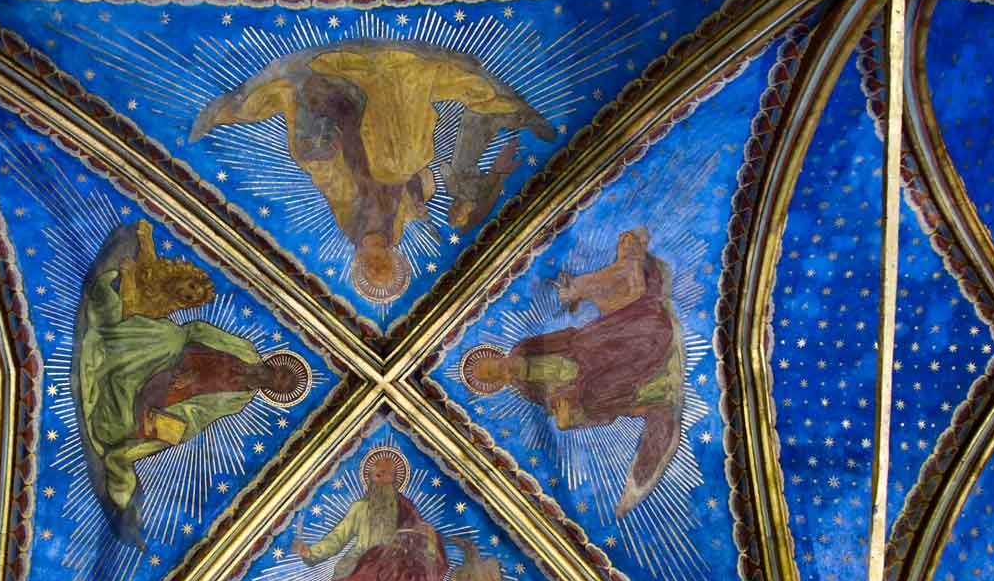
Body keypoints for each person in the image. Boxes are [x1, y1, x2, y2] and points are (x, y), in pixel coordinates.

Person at [190, 39, 552, 303]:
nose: (377, 257)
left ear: (361, 262)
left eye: (372, 264)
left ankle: (312, 92)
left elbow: (334, 188)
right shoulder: (398, 226)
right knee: (403, 161)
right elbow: (421, 183)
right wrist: (417, 197)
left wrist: (321, 159)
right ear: (393, 258)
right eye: (384, 262)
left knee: (318, 150)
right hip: (391, 157)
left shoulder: (352, 226)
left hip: (357, 155)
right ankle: (420, 85)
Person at [77, 220, 300, 549]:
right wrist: (184, 362)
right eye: (282, 374)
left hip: (172, 393)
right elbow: (200, 332)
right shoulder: (247, 352)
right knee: (167, 337)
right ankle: (118, 347)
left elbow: (201, 412)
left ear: (275, 392)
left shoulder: (240, 399)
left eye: (280, 386)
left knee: (139, 427)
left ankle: (118, 453)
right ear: (278, 365)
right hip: (175, 353)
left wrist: (173, 421)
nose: (276, 380)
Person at [462, 228, 685, 517]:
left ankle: (651, 339)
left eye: (490, 364)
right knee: (597, 396)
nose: (495, 368)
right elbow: (558, 404)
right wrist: (567, 420)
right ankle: (652, 385)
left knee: (610, 341)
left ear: (495, 356)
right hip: (584, 381)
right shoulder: (525, 389)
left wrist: (579, 337)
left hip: (581, 351)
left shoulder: (522, 349)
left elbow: (559, 338)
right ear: (496, 382)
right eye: (491, 374)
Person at [230, 448, 499, 581]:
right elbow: (337, 539)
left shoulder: (407, 510)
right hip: (360, 568)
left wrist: (423, 541)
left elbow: (421, 539)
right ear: (369, 478)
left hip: (397, 571)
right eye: (376, 475)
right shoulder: (359, 509)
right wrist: (309, 552)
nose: (380, 480)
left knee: (405, 570)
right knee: (371, 576)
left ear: (396, 479)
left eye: (386, 475)